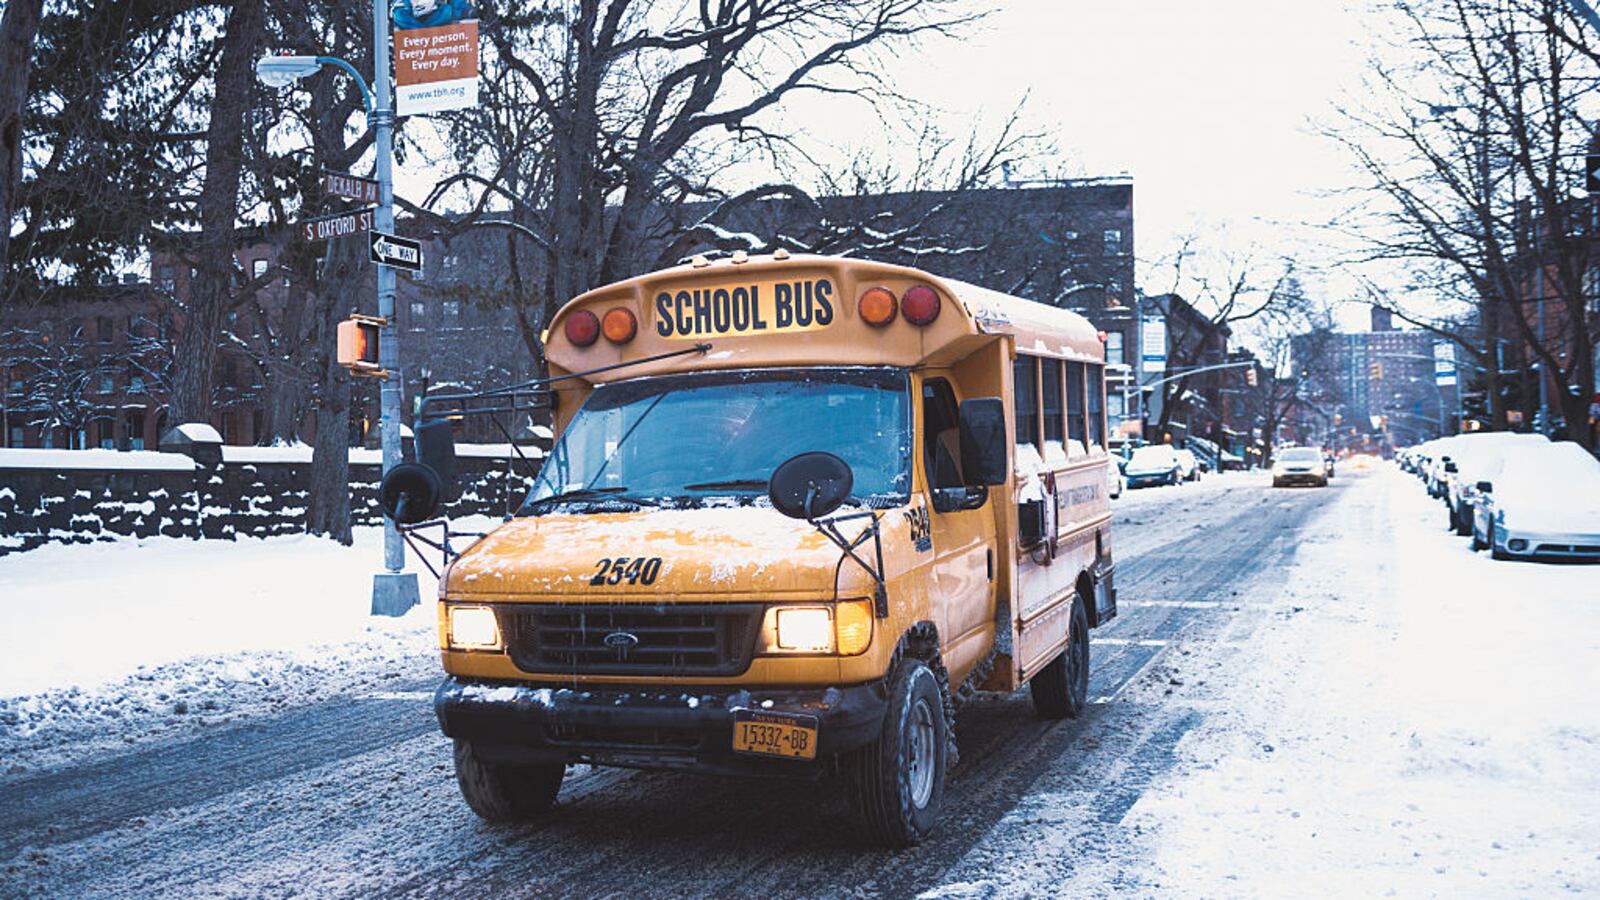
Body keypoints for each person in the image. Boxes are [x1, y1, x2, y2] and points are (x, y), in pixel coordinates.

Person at [394, 0, 473, 30]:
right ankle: (422, 30)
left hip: (434, 16)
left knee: (447, 11)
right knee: (398, 16)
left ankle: (426, 31)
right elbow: (398, 8)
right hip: (411, 19)